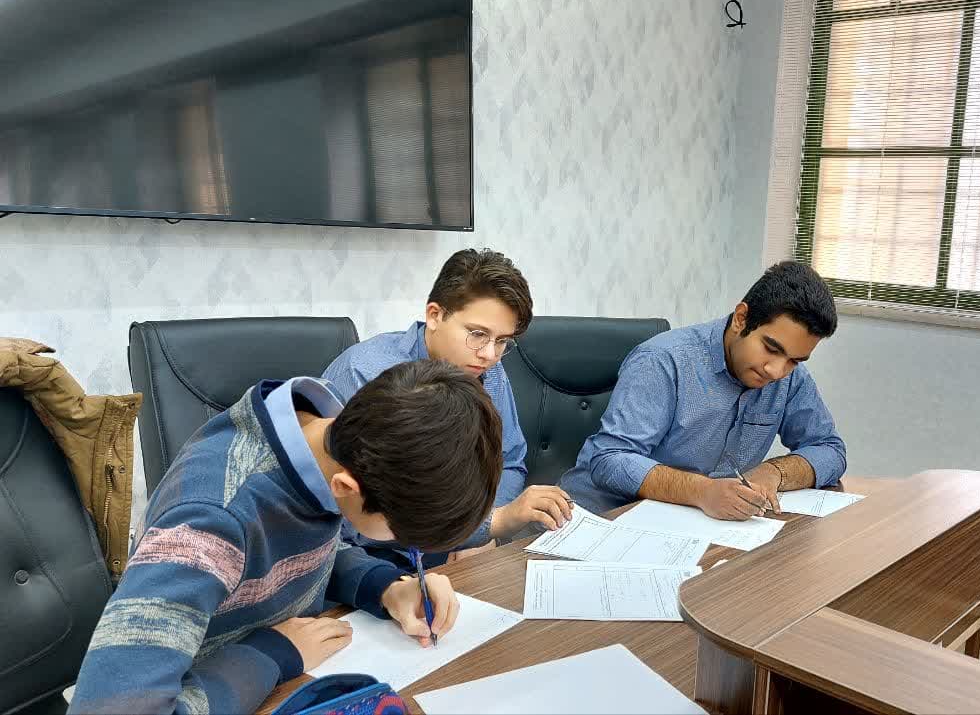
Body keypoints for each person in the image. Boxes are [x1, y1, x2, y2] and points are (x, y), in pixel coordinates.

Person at [70, 359, 502, 714]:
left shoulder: (327, 440)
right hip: (215, 678)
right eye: (402, 537)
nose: (405, 547)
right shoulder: (208, 526)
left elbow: (297, 550)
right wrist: (271, 655)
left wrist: (385, 586)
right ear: (347, 489)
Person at [324, 249, 572, 569]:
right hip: (374, 560)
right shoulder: (363, 375)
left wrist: (481, 527)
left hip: (457, 548)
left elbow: (508, 462)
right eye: (477, 334)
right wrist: (481, 528)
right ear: (435, 315)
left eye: (502, 341)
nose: (489, 354)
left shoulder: (486, 369)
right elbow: (350, 519)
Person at [561, 261, 846, 519]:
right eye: (771, 348)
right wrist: (702, 491)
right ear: (741, 319)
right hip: (601, 519)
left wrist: (774, 472)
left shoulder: (791, 379)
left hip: (693, 524)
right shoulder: (662, 361)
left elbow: (830, 449)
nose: (776, 371)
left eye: (794, 360)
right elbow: (609, 459)